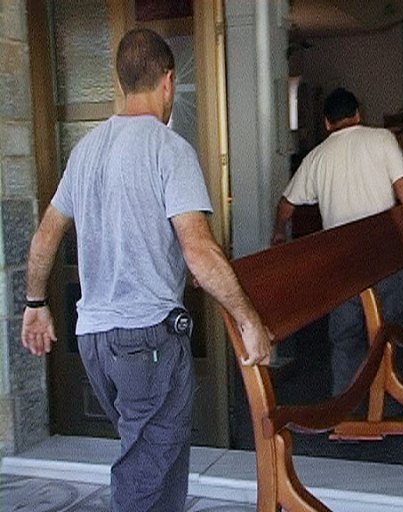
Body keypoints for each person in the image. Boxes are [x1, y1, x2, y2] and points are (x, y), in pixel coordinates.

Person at [21, 28, 272, 512]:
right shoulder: (169, 148)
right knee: (145, 474)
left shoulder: (86, 151)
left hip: (96, 340)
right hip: (145, 342)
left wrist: (36, 304)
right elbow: (197, 247)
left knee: (154, 457)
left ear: (121, 82)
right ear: (168, 82)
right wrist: (249, 321)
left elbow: (46, 235)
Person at [272, 87, 403, 397]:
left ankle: (346, 401)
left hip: (341, 260)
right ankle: (386, 396)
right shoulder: (382, 139)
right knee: (387, 328)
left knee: (345, 334)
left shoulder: (316, 156)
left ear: (327, 123)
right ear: (358, 114)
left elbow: (286, 204)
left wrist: (279, 231)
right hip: (383, 253)